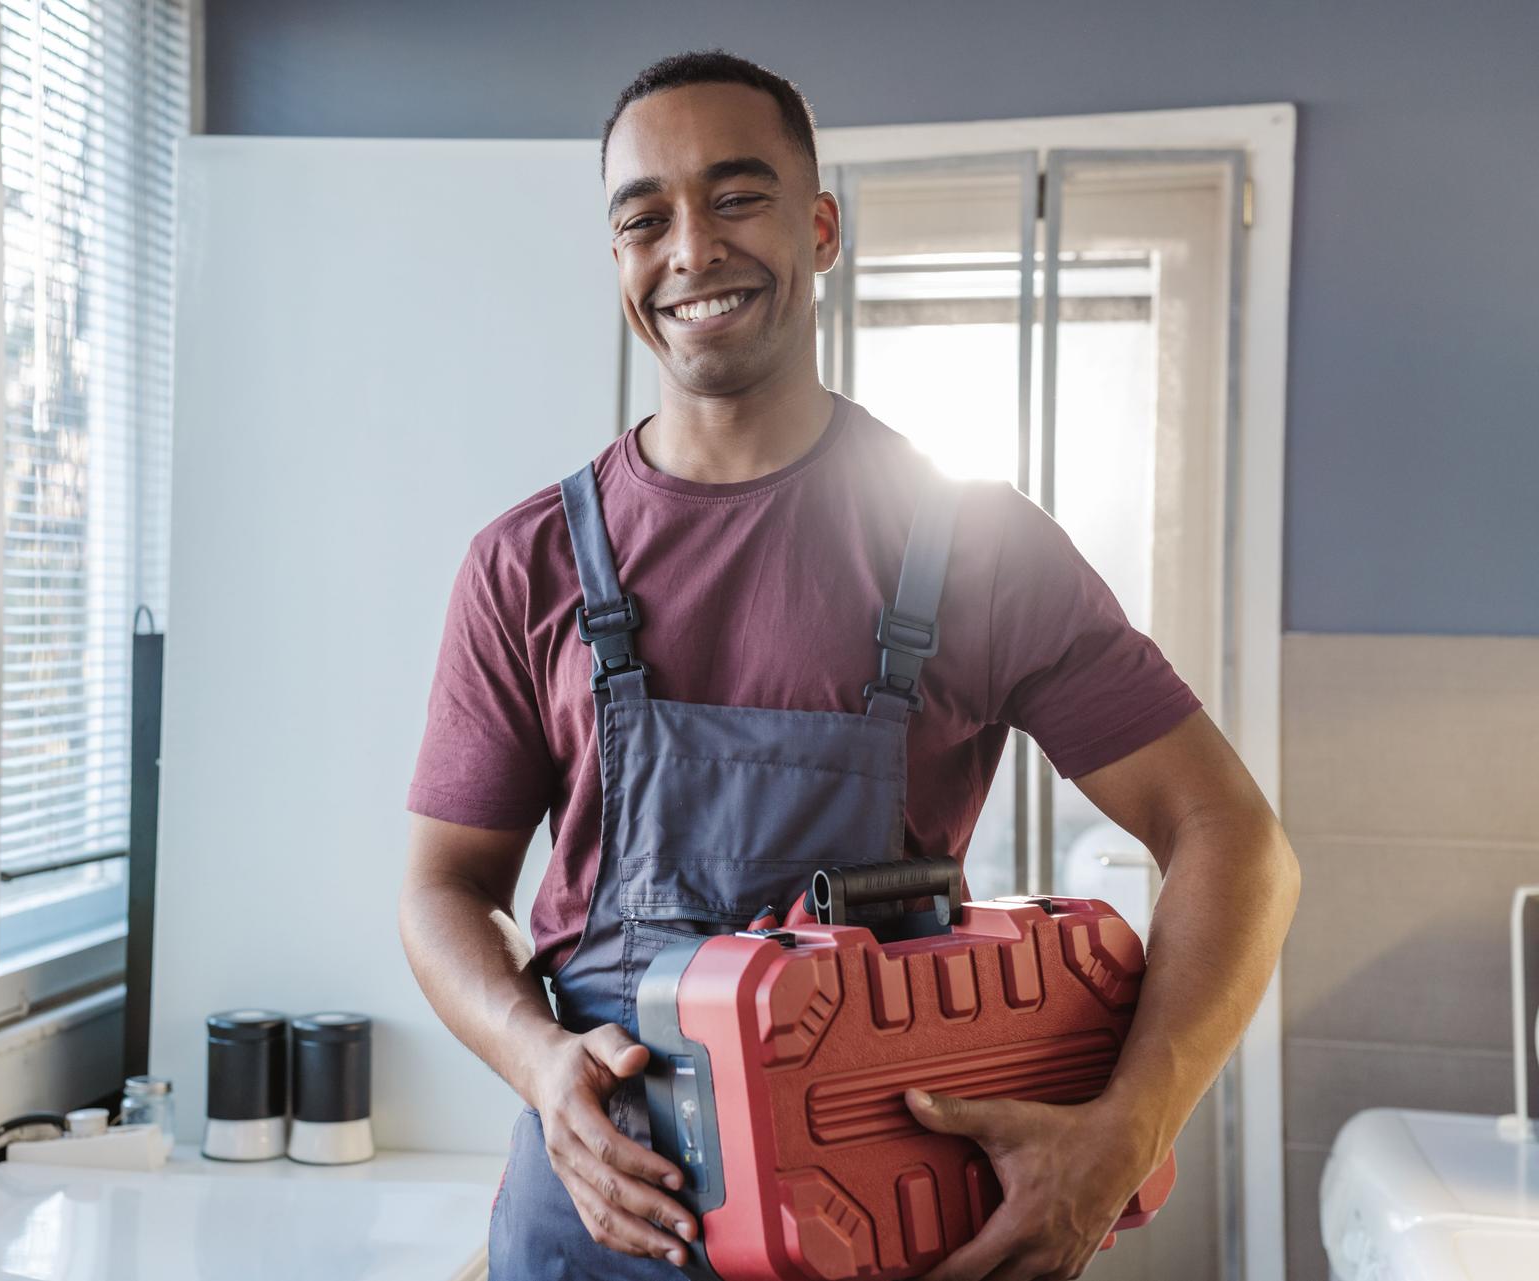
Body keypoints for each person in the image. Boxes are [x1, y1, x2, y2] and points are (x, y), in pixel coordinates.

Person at [399, 47, 1300, 1281]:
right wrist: (536, 1062)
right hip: (597, 1215)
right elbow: (444, 890)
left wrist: (1127, 1128)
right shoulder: (529, 564)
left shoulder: (974, 546)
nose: (691, 251)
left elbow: (1236, 843)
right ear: (617, 260)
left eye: (736, 196)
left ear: (820, 228)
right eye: (643, 217)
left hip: (881, 1214)